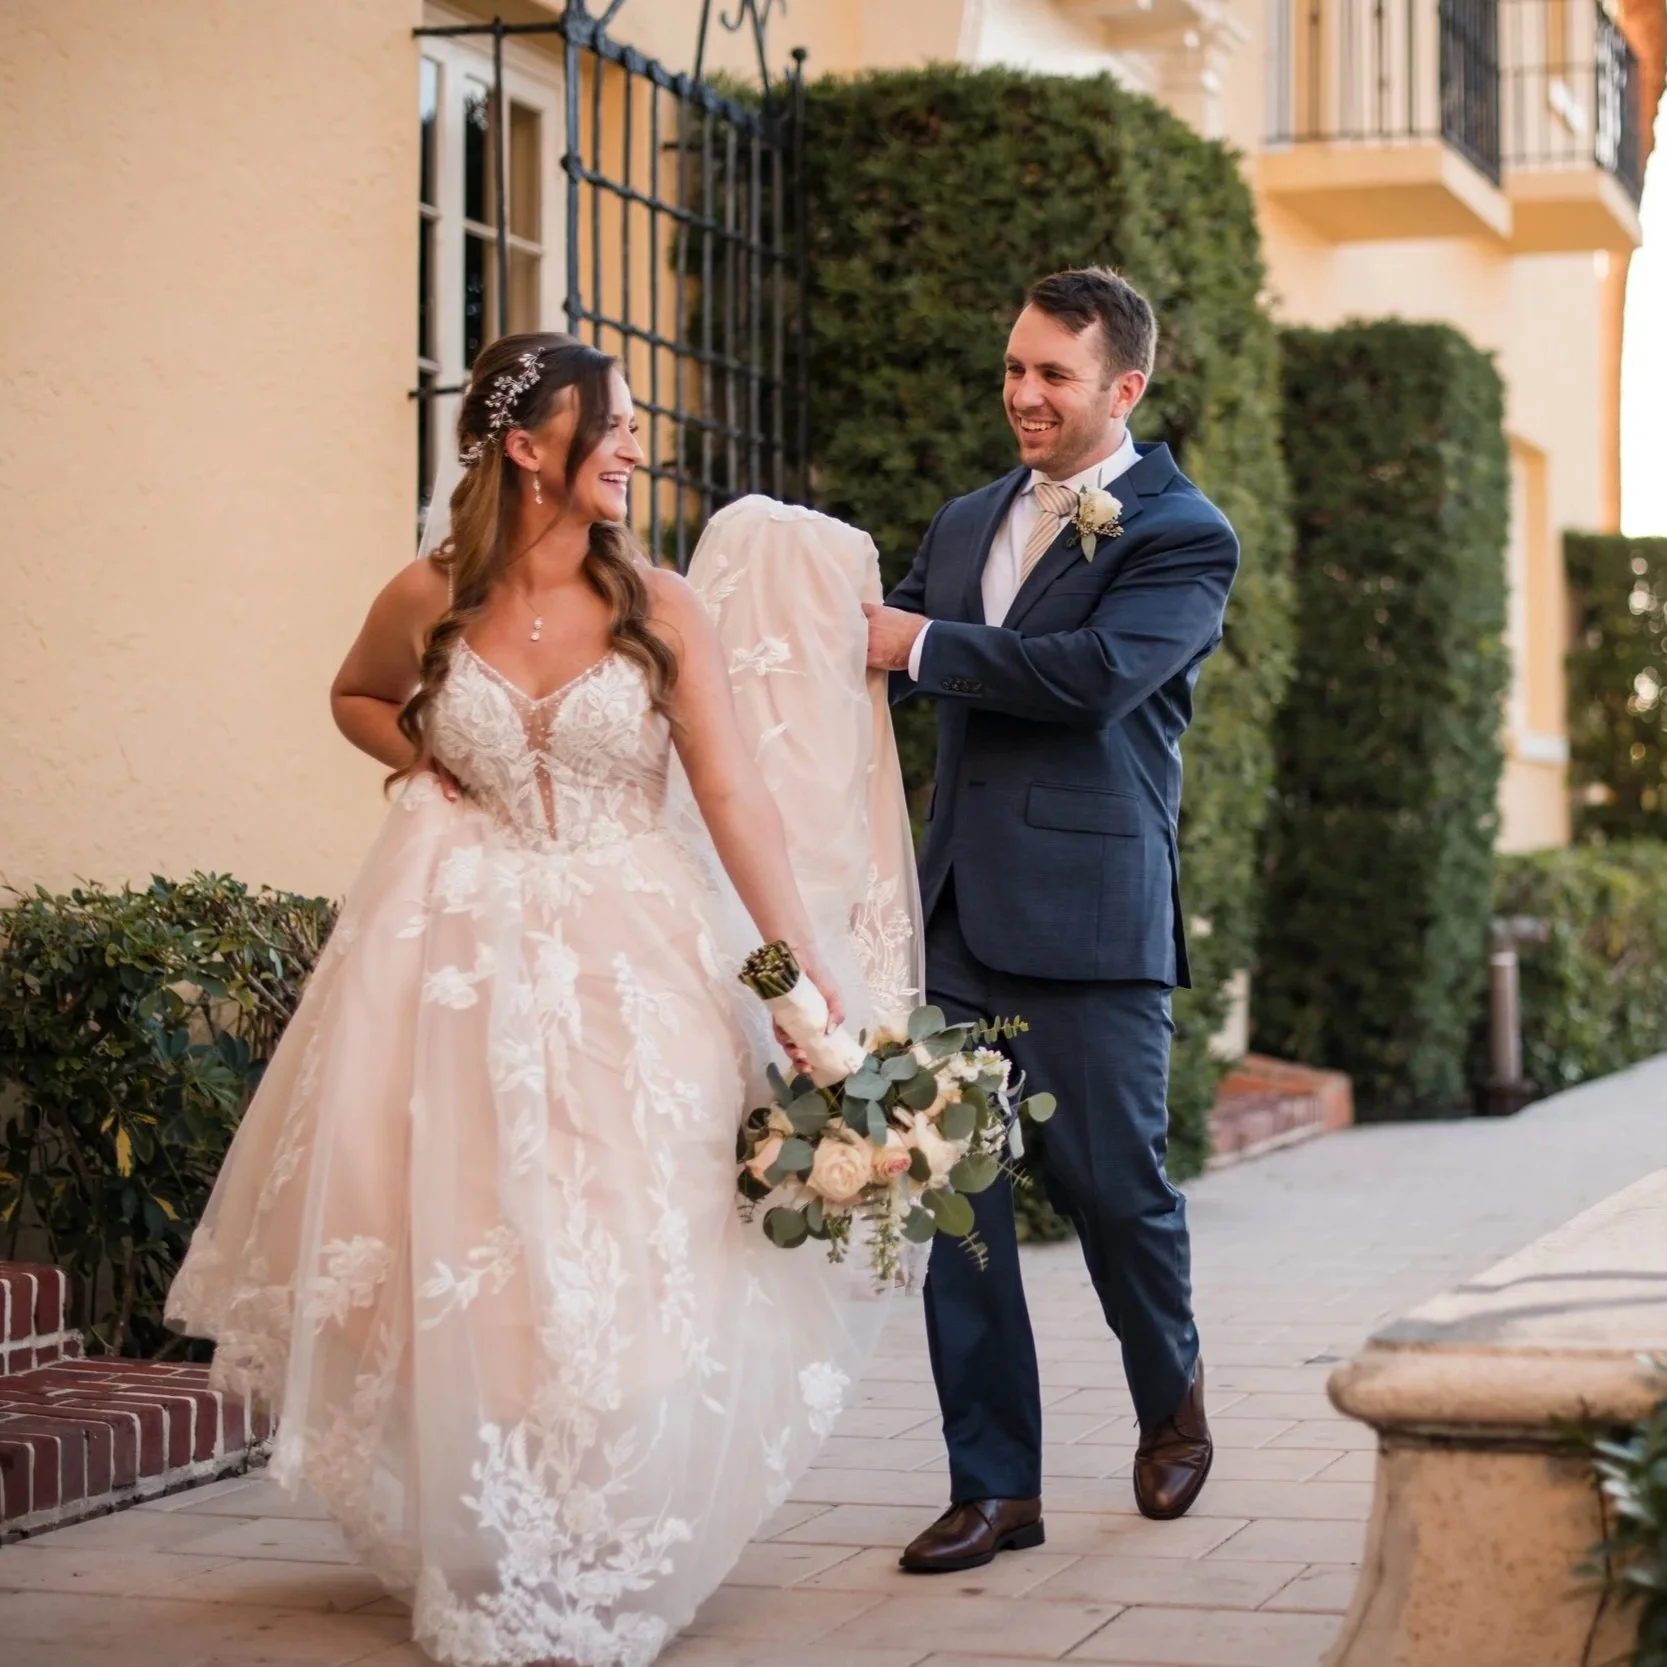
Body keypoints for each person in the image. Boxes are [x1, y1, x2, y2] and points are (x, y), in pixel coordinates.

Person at [166, 333, 919, 1667]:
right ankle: (499, 1517)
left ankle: (614, 1522)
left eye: (631, 426)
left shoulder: (661, 604)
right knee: (472, 1238)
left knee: (629, 1228)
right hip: (448, 958)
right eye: (613, 425)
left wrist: (799, 980)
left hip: (633, 960)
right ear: (527, 447)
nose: (636, 445)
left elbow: (734, 798)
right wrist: (425, 760)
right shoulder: (428, 594)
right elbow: (354, 692)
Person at [864, 267, 1239, 1571]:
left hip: (1089, 919)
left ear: (1121, 388)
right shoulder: (967, 519)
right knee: (954, 1199)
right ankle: (994, 1484)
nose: (1022, 393)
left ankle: (1169, 1390)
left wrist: (911, 644)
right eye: (1014, 366)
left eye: (1052, 375)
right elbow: (885, 665)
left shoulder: (1183, 534)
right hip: (956, 912)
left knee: (1113, 1192)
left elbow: (1088, 681)